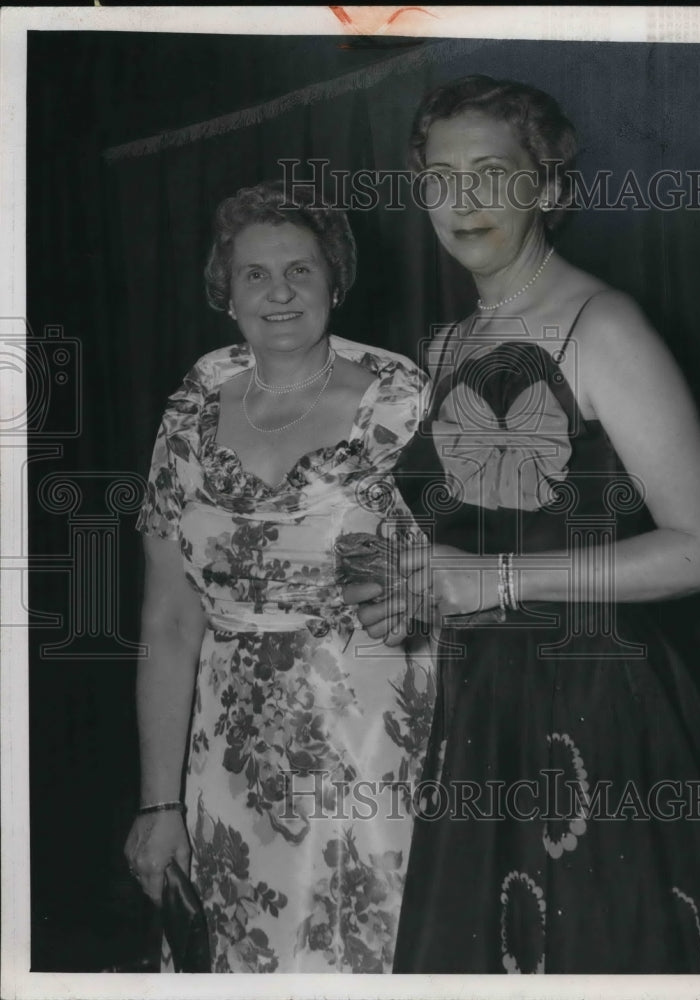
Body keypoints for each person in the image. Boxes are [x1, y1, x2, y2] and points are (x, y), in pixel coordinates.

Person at [346, 75, 700, 973]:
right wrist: (417, 593)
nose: (463, 200)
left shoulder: (606, 328)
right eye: (440, 178)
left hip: (601, 706)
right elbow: (472, 547)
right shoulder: (446, 345)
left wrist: (495, 582)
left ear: (551, 189)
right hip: (481, 707)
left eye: (492, 172)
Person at [123, 181, 434, 973]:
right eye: (255, 274)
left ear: (336, 280)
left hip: (377, 751)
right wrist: (160, 803)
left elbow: (468, 578)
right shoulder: (189, 414)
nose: (280, 291)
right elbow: (167, 621)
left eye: (300, 269)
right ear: (225, 294)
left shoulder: (405, 407)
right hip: (229, 759)